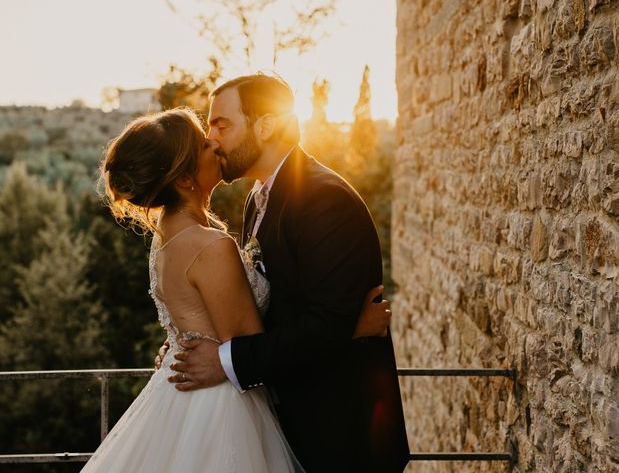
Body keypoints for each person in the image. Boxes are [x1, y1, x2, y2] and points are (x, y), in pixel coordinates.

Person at [81, 107, 391, 472]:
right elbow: (250, 343)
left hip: (182, 398)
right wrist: (350, 327)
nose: (214, 143)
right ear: (183, 178)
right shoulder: (210, 245)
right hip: (224, 408)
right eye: (202, 143)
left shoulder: (166, 236)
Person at [166, 74, 410, 472]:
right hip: (288, 422)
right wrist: (191, 338)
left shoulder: (323, 198)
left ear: (265, 125)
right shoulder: (257, 198)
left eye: (221, 124)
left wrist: (225, 361)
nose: (211, 139)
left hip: (337, 433)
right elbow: (275, 304)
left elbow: (324, 321)